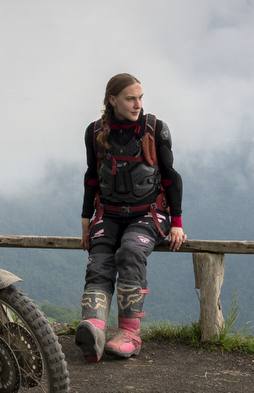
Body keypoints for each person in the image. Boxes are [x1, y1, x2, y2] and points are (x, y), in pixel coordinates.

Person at [76, 73, 185, 361]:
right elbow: (92, 177)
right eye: (130, 98)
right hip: (109, 214)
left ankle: (130, 333)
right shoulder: (96, 132)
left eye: (140, 98)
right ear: (112, 100)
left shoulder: (155, 129)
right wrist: (86, 218)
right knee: (99, 258)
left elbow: (172, 178)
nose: (138, 104)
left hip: (150, 214)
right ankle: (94, 327)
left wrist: (177, 223)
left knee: (130, 251)